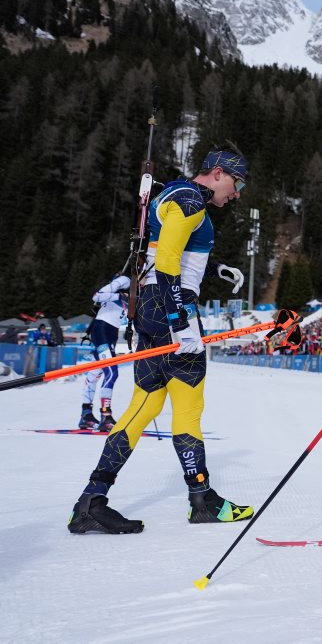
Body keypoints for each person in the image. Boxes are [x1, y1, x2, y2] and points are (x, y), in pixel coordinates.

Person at [68, 146, 252, 534]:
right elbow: (168, 262)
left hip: (149, 308)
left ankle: (91, 500)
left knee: (145, 405)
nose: (236, 193)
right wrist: (180, 322)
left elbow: (166, 248)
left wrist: (215, 268)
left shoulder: (177, 193)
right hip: (172, 307)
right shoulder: (191, 201)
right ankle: (201, 499)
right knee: (187, 406)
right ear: (218, 173)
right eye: (236, 183)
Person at [78, 275, 130, 431]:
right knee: (112, 373)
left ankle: (86, 415)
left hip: (110, 332)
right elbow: (97, 296)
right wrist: (118, 295)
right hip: (103, 330)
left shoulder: (138, 291)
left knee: (95, 372)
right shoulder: (125, 280)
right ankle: (106, 416)